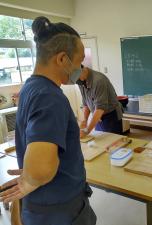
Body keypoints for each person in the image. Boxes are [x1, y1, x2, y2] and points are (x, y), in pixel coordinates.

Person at [0, 16, 96, 225]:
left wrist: (29, 180)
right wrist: (29, 180)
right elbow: (41, 168)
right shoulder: (50, 97)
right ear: (62, 59)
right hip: (60, 211)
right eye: (79, 62)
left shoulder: (30, 87)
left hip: (42, 207)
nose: (80, 69)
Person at [77, 65, 123, 138]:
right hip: (97, 115)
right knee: (100, 141)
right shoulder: (81, 81)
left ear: (81, 70)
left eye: (77, 77)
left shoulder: (98, 80)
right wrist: (85, 120)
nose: (77, 80)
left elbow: (100, 108)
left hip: (111, 116)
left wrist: (87, 131)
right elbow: (85, 103)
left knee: (113, 143)